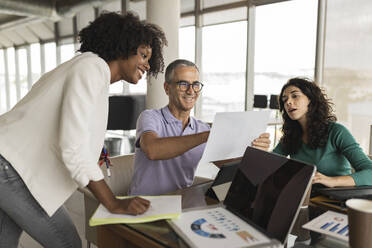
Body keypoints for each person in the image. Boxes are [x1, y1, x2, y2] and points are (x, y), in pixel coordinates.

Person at [0, 12, 167, 248]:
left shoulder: (87, 69)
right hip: (10, 169)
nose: (147, 64)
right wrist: (113, 202)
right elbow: (72, 148)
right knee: (67, 243)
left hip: (9, 165)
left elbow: (71, 138)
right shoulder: (92, 68)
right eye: (143, 54)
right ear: (124, 46)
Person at [129, 59, 271, 196]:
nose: (191, 91)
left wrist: (253, 150)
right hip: (143, 205)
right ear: (167, 88)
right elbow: (153, 150)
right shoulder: (150, 117)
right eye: (183, 84)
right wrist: (208, 136)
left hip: (180, 206)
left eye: (195, 84)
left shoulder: (202, 128)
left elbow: (227, 166)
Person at [273, 77, 372, 187]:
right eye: (284, 99)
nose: (288, 102)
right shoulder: (291, 136)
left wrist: (332, 181)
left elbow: (370, 173)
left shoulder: (336, 131)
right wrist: (260, 150)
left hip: (333, 199)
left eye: (295, 96)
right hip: (304, 197)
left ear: (311, 99)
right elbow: (269, 166)